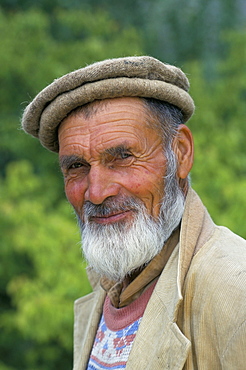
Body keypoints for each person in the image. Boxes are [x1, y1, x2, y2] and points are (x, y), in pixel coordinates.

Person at [21, 56, 246, 370]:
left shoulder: (235, 294)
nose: (97, 192)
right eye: (76, 167)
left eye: (123, 157)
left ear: (180, 153)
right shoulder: (111, 285)